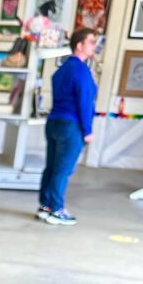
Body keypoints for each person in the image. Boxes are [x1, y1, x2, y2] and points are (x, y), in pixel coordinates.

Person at [37, 28, 97, 225]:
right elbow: (85, 102)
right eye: (91, 42)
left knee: (52, 166)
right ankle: (56, 209)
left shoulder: (61, 70)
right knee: (63, 169)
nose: (94, 46)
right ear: (79, 45)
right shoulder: (81, 71)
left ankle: (45, 206)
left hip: (54, 122)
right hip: (71, 126)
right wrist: (87, 130)